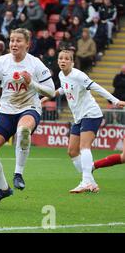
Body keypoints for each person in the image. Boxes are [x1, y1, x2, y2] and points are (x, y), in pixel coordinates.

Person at [0, 28, 55, 206]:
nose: (14, 44)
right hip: (6, 111)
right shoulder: (2, 61)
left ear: (27, 44)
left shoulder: (35, 63)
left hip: (29, 108)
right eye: (12, 40)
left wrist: (32, 83)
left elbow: (51, 91)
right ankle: (3, 188)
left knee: (23, 131)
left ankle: (18, 173)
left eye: (18, 41)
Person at [42, 50, 125, 193]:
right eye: (60, 58)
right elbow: (64, 88)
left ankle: (86, 181)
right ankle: (91, 182)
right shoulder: (62, 75)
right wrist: (49, 96)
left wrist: (115, 101)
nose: (63, 60)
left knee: (84, 147)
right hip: (79, 116)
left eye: (66, 59)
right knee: (72, 151)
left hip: (91, 113)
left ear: (72, 62)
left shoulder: (79, 75)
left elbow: (96, 86)